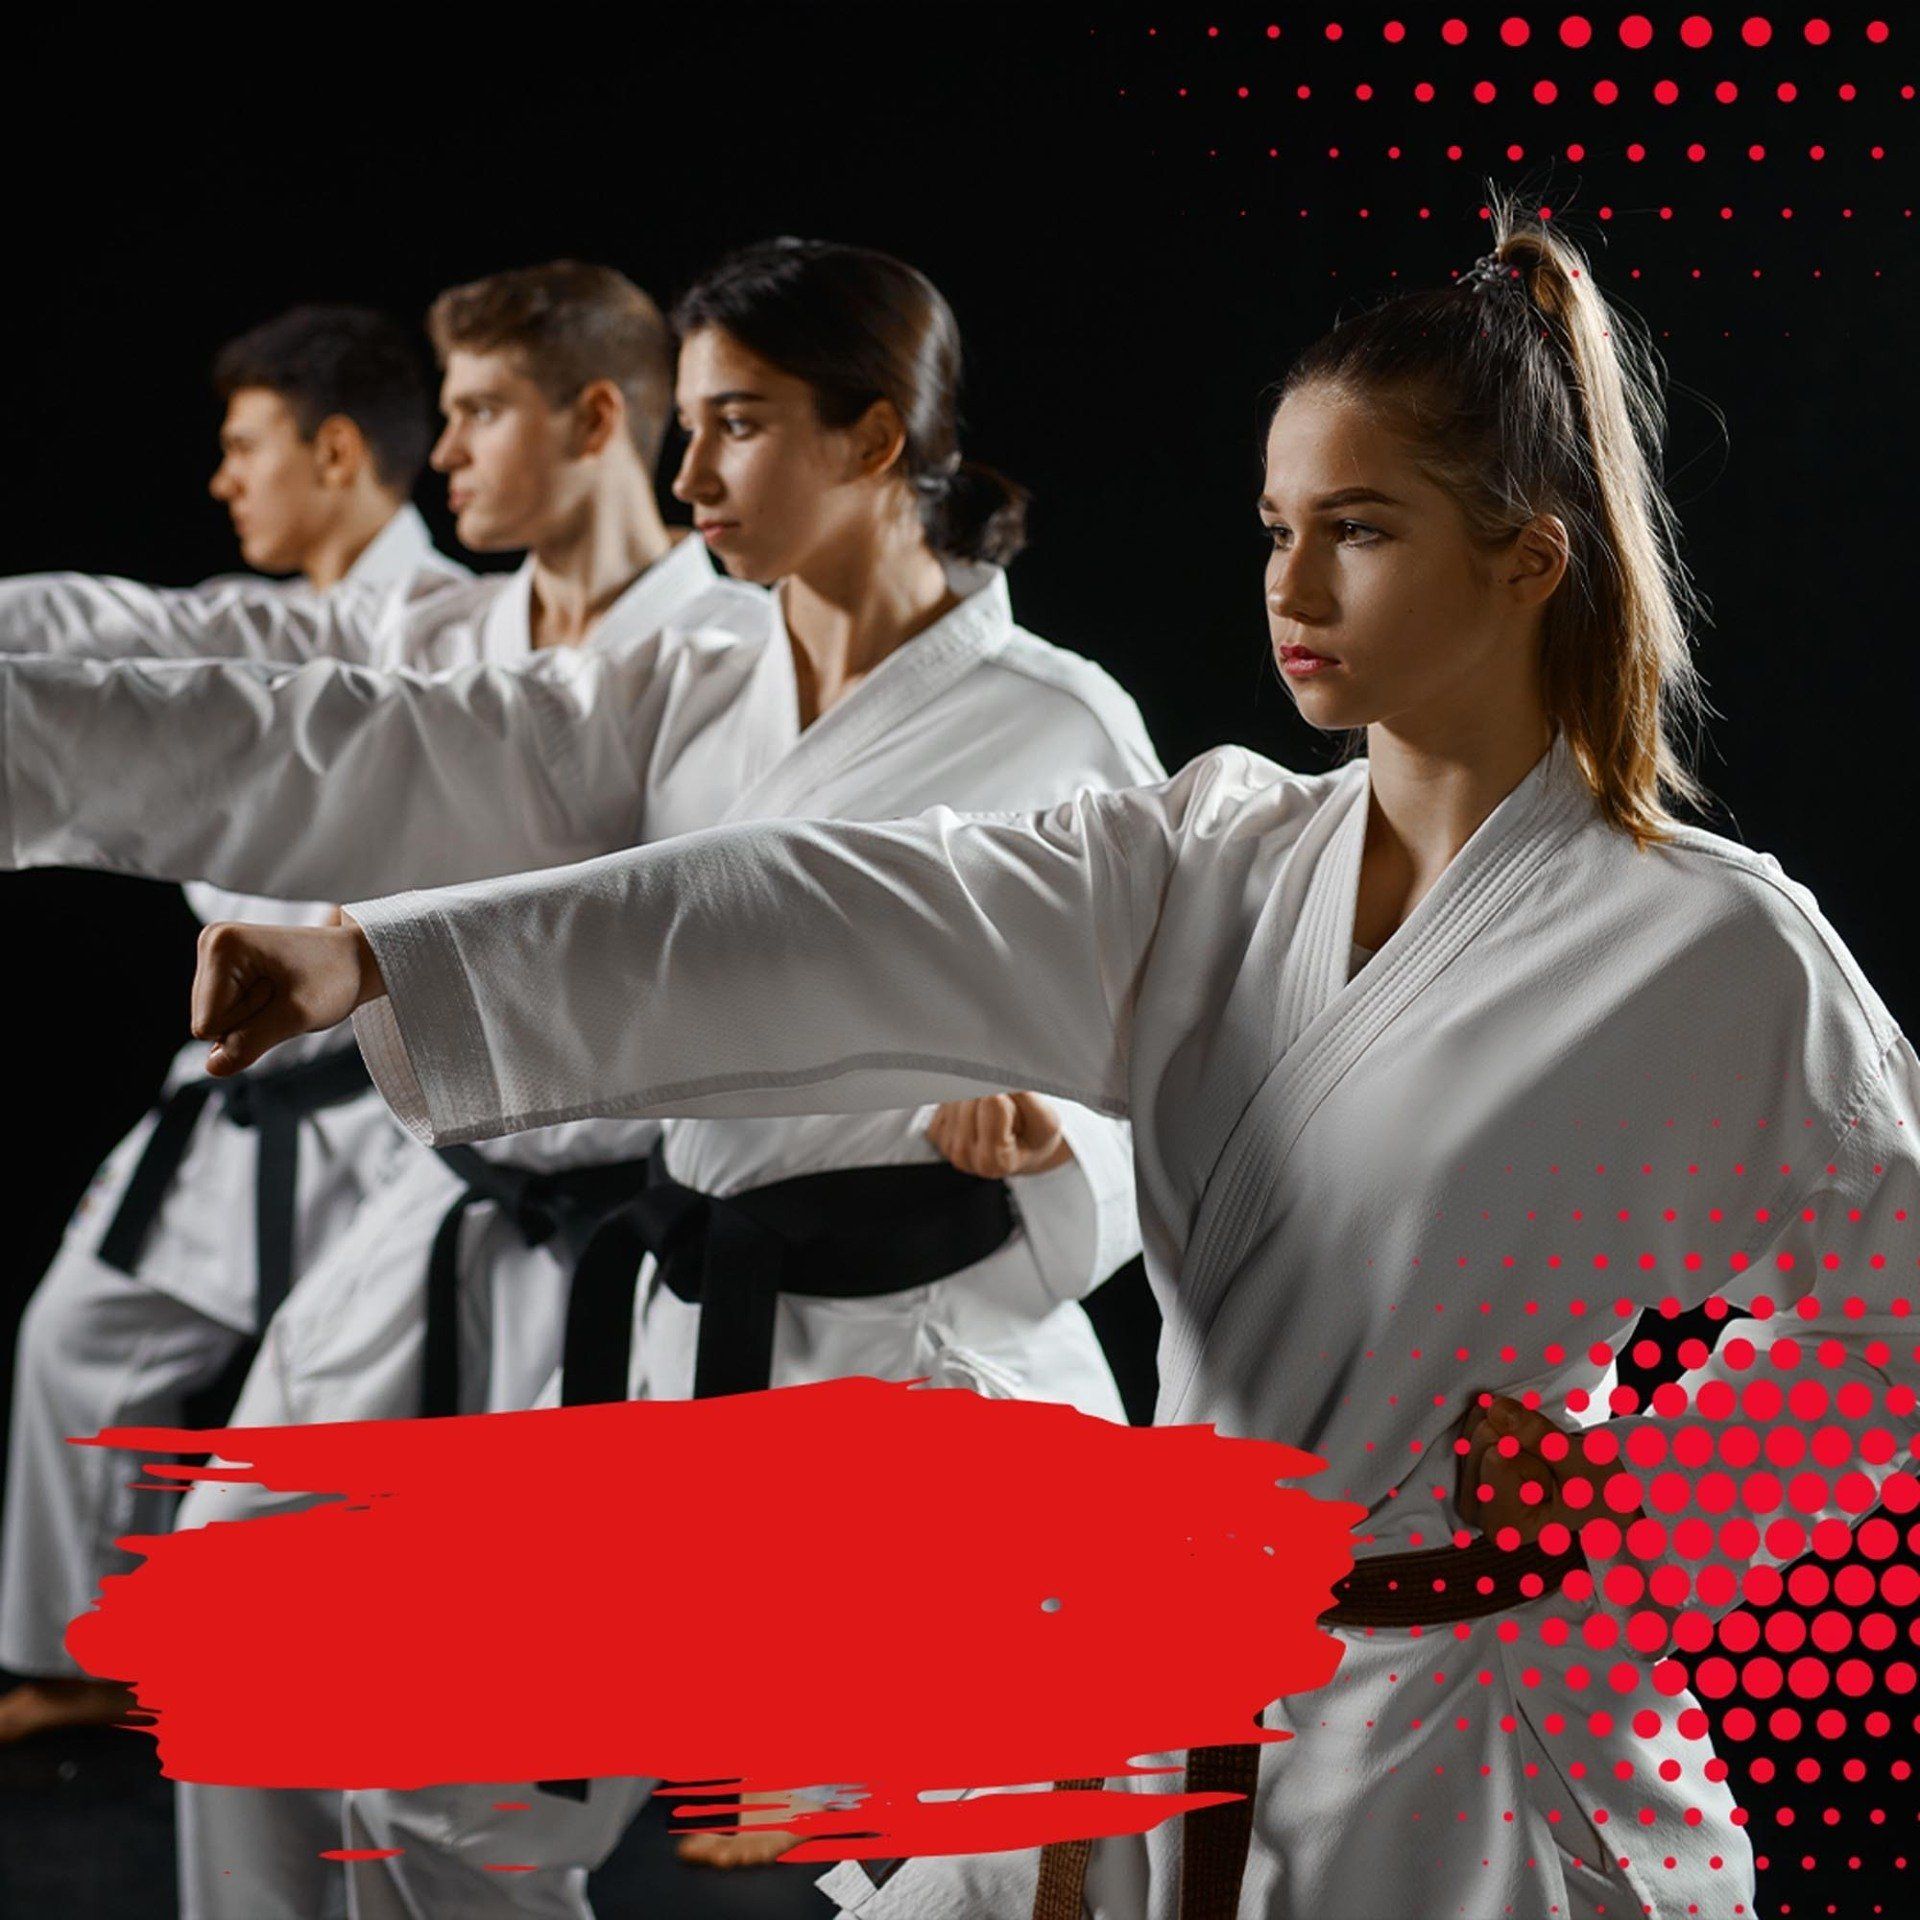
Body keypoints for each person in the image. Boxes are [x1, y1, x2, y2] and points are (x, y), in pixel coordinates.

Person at [190, 209, 1918, 1920]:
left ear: (1529, 557)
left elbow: (1894, 1315)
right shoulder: (1210, 861)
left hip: (1479, 1741)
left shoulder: (1704, 945)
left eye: (1361, 532)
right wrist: (390, 951)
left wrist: (1638, 1510)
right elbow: (821, 908)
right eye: (1275, 528)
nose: (1291, 589)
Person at [0, 239, 1159, 1920]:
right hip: (682, 1346)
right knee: (435, 1784)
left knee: (986, 1882)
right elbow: (385, 749)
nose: (686, 476)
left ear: (874, 437)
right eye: (682, 427)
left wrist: (1064, 1130)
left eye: (739, 425)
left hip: (918, 1374)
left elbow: (1152, 1044)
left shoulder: (1060, 729)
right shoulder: (696, 680)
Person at [0, 259, 769, 1920]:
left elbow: (778, 933)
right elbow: (206, 660)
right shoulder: (437, 621)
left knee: (473, 1780)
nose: (446, 454)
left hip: (632, 1251)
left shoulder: (730, 647)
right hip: (446, 1199)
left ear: (595, 417)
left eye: (481, 411)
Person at [0, 302, 465, 1749]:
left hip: (400, 1103)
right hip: (237, 1097)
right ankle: (84, 1661)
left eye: (245, 444)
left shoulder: (454, 633)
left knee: (358, 1429)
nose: (223, 476)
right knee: (78, 1337)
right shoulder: (253, 624)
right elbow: (110, 627)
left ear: (336, 451)